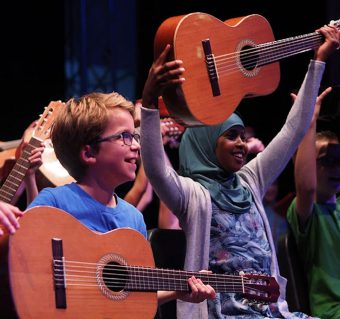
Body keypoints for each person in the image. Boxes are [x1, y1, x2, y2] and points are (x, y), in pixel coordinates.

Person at [140, 23, 340, 319]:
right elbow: (156, 168)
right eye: (231, 136)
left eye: (243, 137)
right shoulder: (192, 195)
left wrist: (318, 61)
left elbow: (293, 131)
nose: (242, 145)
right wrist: (148, 103)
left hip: (272, 312)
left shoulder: (249, 181)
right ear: (207, 142)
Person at [1, 91, 215, 307]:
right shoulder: (56, 201)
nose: (136, 145)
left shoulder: (133, 219)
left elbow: (134, 294)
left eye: (135, 136)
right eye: (124, 136)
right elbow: (21, 254)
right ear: (89, 153)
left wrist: (177, 292)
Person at [286, 86, 340, 319]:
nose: (335, 167)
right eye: (326, 161)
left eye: (339, 160)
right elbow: (307, 187)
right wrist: (309, 121)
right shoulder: (309, 211)